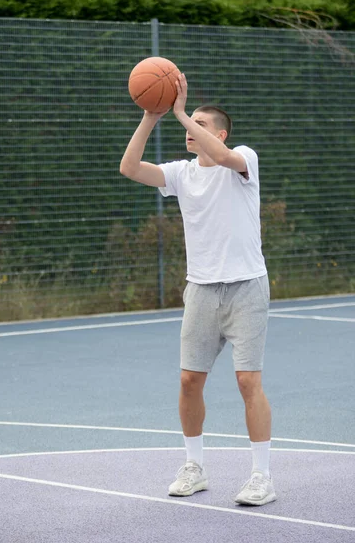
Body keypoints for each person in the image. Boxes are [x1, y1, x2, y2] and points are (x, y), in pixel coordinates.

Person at [120, 73, 276, 506]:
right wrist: (152, 117)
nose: (191, 131)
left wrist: (182, 112)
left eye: (202, 126)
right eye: (191, 127)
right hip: (201, 290)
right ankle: (194, 467)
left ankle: (261, 476)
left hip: (246, 287)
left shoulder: (243, 158)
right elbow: (129, 168)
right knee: (190, 380)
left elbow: (224, 157)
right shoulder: (181, 174)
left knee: (248, 382)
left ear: (219, 132)